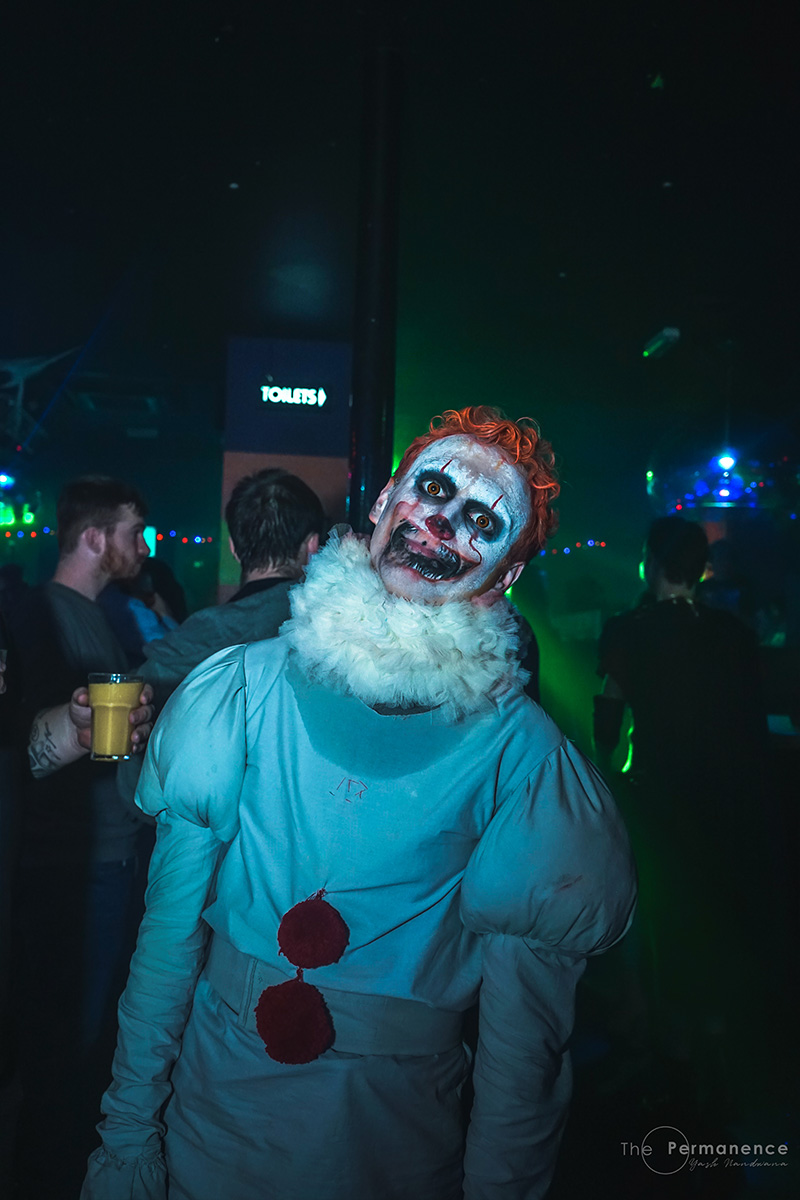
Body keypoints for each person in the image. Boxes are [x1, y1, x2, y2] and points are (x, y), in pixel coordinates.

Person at [83, 408, 636, 1200]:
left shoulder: (524, 762)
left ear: (507, 574)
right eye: (434, 489)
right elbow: (165, 944)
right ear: (382, 503)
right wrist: (128, 1138)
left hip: (388, 1144)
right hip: (211, 1125)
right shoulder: (242, 688)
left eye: (482, 522)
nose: (442, 522)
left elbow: (523, 1060)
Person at [7, 475, 155, 1199]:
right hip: (74, 864)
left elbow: (104, 742)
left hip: (109, 855)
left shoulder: (107, 617)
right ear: (95, 538)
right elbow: (27, 755)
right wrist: (76, 732)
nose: (144, 546)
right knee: (67, 1044)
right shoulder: (40, 618)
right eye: (133, 532)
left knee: (88, 1036)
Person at [593, 515, 771, 1111]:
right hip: (727, 804)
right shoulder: (734, 634)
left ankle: (657, 1055)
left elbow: (608, 726)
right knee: (711, 917)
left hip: (657, 802)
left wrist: (611, 780)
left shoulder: (629, 630)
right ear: (702, 567)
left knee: (652, 926)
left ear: (649, 562)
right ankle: (712, 1050)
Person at [115, 467, 325, 808]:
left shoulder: (196, 637)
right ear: (313, 546)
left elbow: (135, 778)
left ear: (234, 548)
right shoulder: (337, 634)